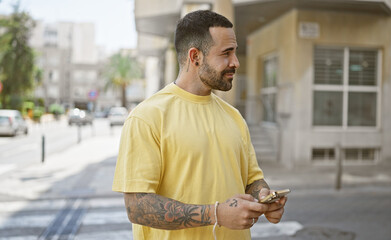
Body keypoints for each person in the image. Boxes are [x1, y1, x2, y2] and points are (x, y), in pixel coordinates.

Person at [112, 10, 287, 239]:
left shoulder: (234, 117)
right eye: (226, 53)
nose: (235, 62)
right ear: (195, 57)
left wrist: (264, 196)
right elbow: (137, 207)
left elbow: (251, 179)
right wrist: (216, 214)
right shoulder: (147, 117)